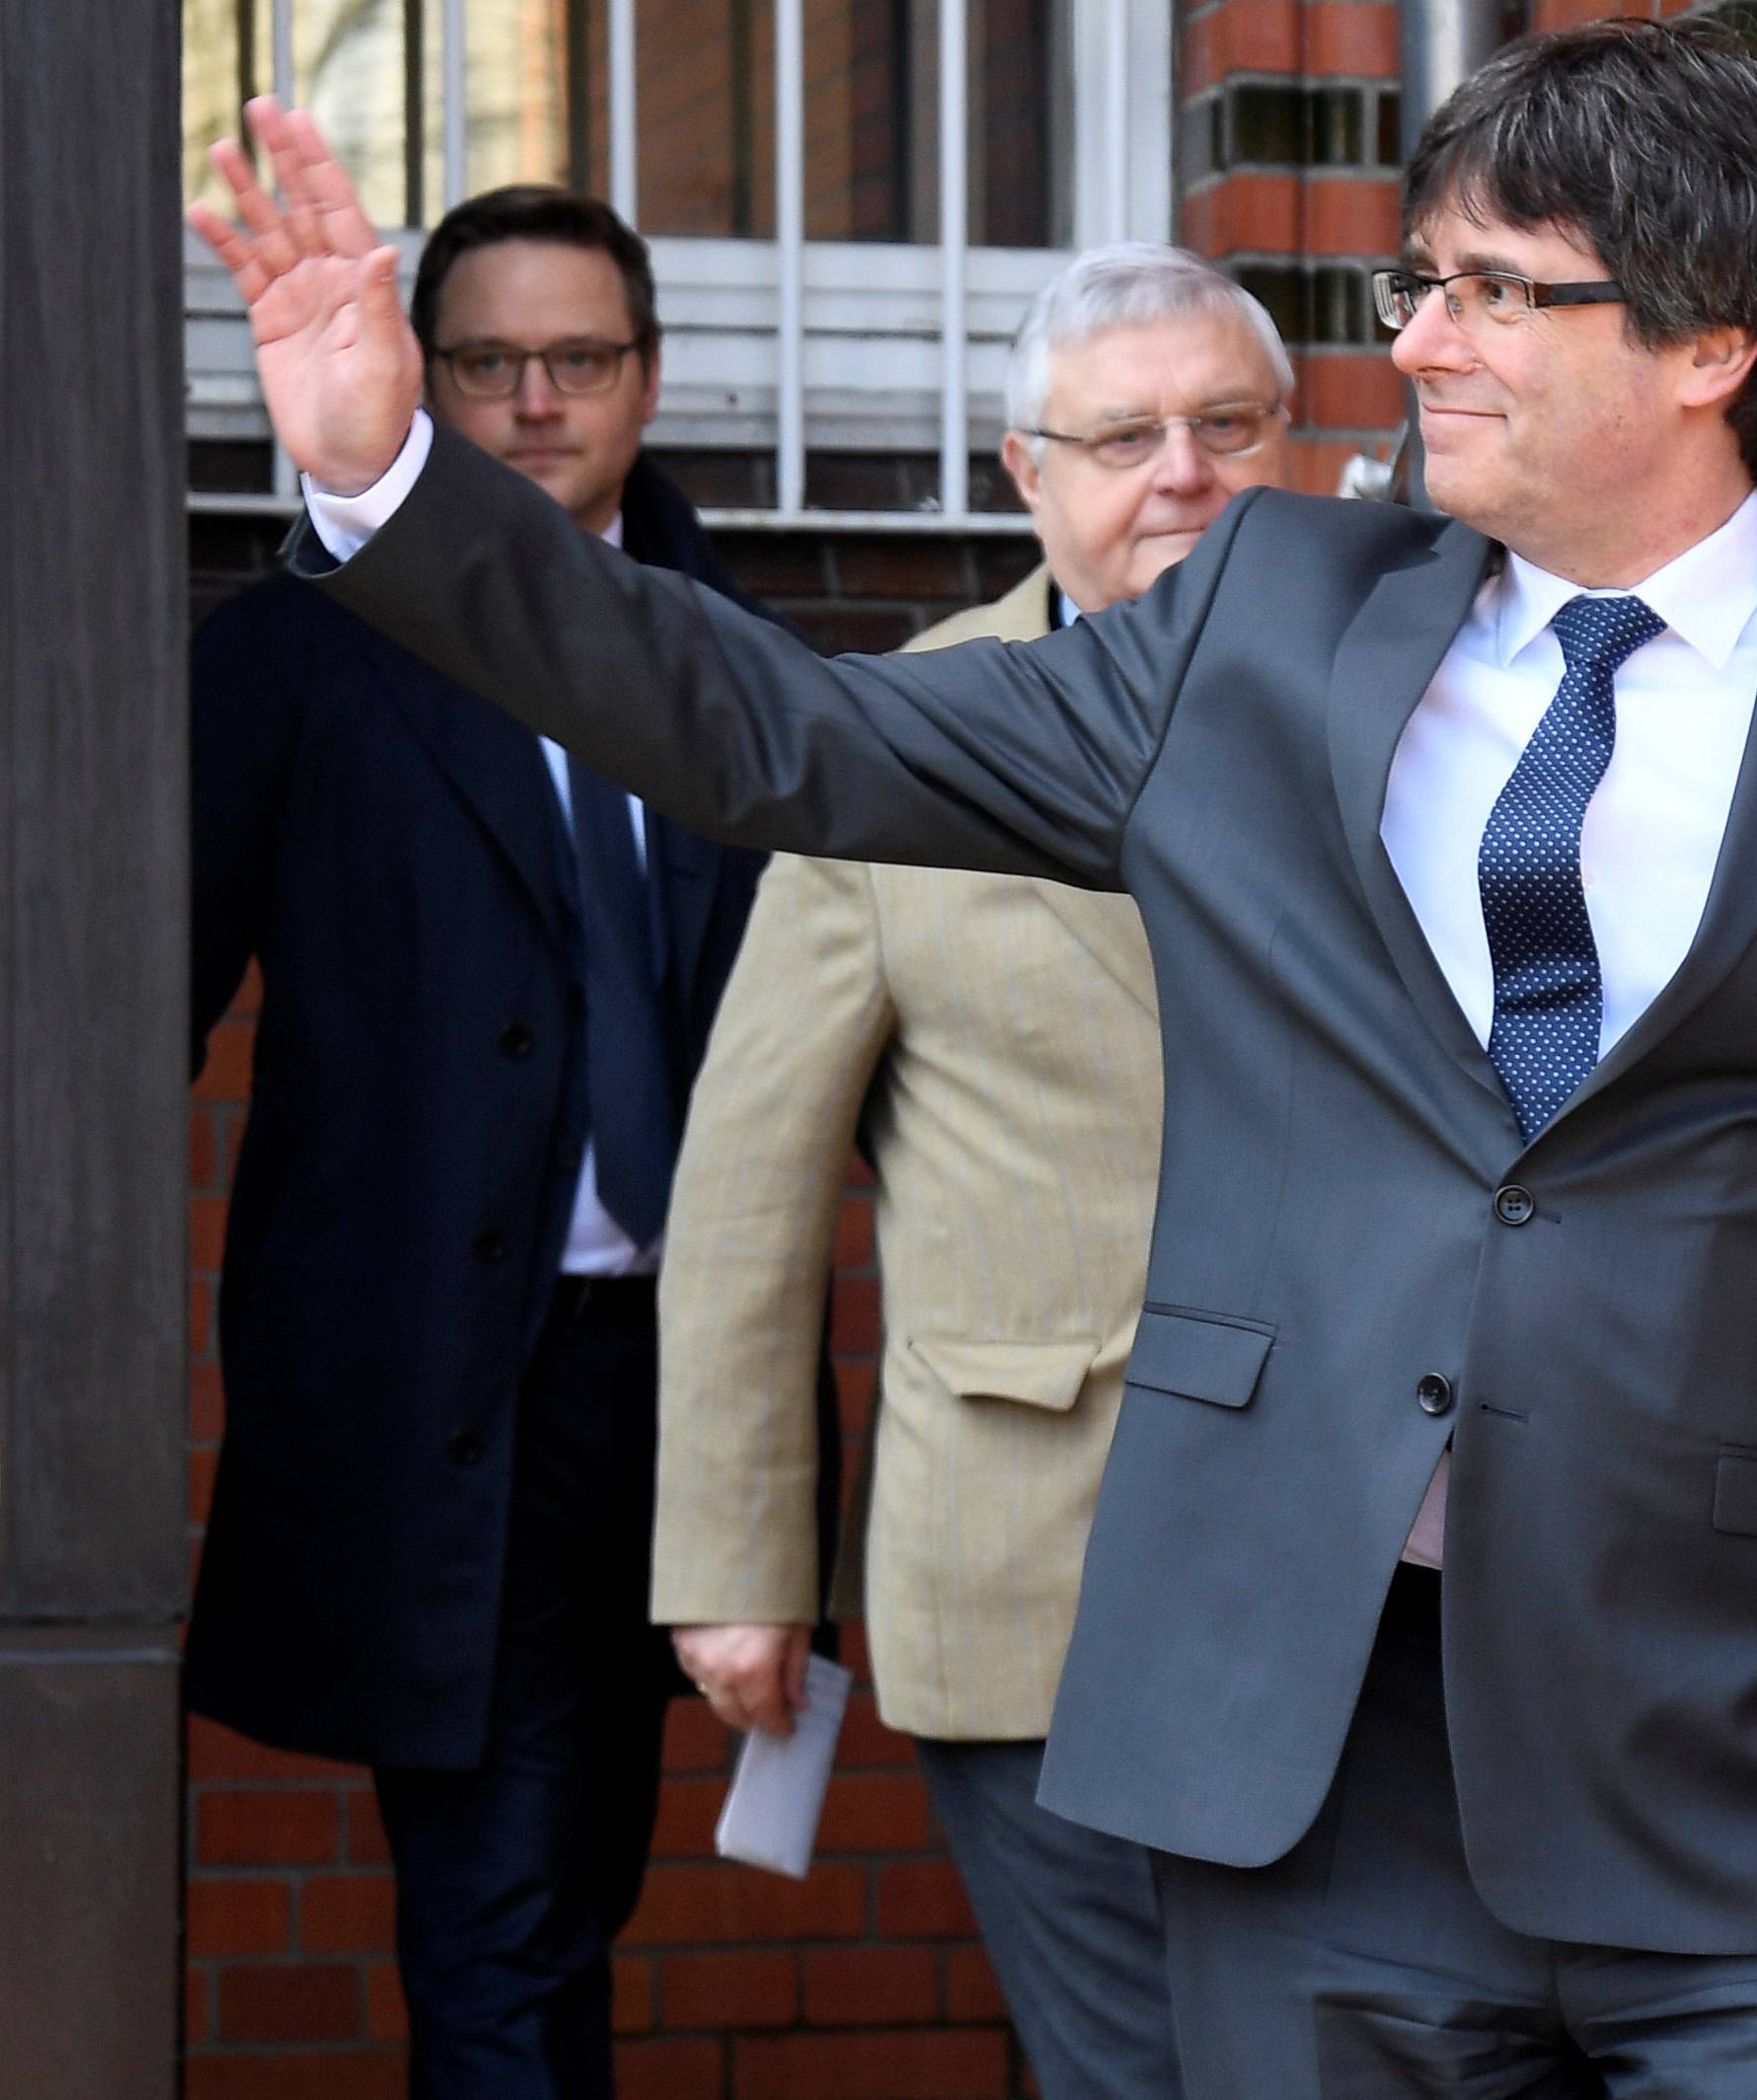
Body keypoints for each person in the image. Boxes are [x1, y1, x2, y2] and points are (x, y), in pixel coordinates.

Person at [195, 18, 1757, 2093]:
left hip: (1753, 1765)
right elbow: (796, 734)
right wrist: (387, 477)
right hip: (1320, 1762)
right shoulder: (1269, 621)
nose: (1420, 345)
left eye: (1501, 292)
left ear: (1711, 346)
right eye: (1419, 280)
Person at [187, 185, 802, 2100]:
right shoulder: (295, 648)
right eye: (489, 361)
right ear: (423, 370)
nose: (537, 401)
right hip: (449, 1393)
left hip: (677, 1389)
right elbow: (151, 990)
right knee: (497, 1907)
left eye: (581, 358)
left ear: (648, 376)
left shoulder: (744, 658)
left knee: (569, 1885)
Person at [656, 243, 1290, 2100]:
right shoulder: (902, 740)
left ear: (1294, 435)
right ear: (1028, 472)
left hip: (1353, 1583)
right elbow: (749, 1194)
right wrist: (738, 1564)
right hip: (1036, 1566)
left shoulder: (1426, 717)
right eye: (1123, 434)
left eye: (1223, 424)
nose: (1179, 470)